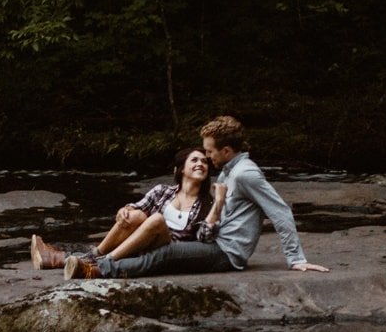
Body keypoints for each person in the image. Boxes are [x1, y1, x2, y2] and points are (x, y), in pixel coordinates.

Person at [61, 114, 328, 279]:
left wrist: (296, 259)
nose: (208, 158)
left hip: (227, 254)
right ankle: (90, 261)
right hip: (214, 243)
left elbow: (280, 211)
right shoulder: (227, 173)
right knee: (160, 244)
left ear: (226, 150)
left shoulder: (246, 174)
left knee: (167, 254)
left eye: (210, 152)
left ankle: (99, 270)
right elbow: (214, 221)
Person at [29, 146, 219, 271]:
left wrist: (219, 204)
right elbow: (138, 207)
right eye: (194, 160)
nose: (200, 164)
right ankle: (88, 256)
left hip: (167, 251)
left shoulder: (206, 203)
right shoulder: (163, 191)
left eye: (204, 161)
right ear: (180, 169)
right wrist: (125, 210)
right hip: (140, 240)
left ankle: (100, 262)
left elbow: (205, 239)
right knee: (134, 215)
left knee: (156, 219)